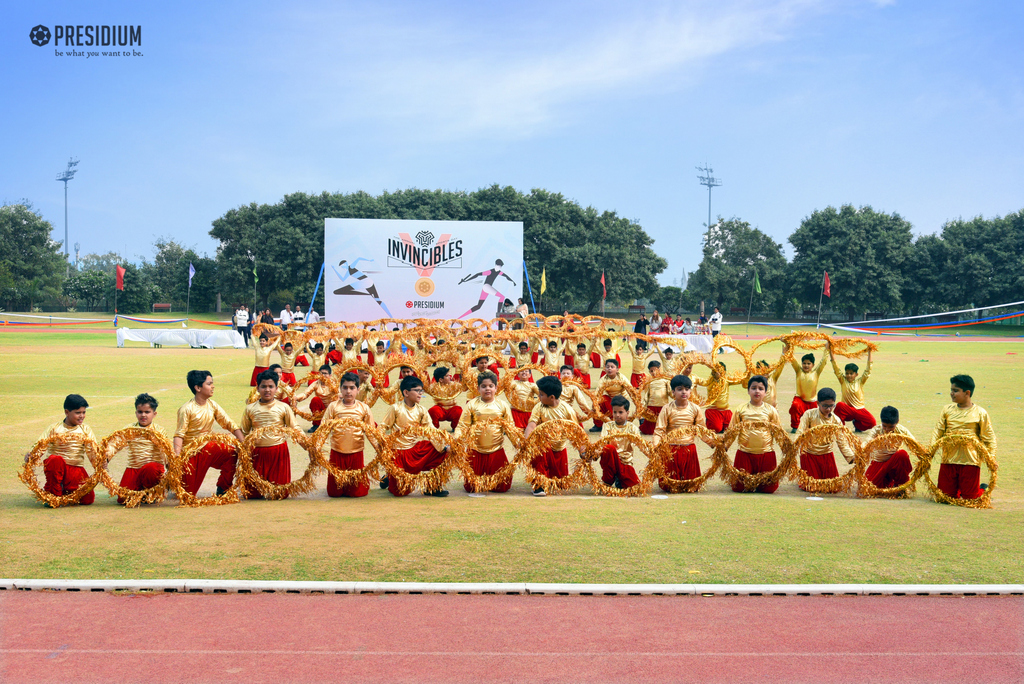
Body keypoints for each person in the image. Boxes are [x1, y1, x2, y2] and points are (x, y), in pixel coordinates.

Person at [174, 371, 245, 497]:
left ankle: (223, 488)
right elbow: (179, 434)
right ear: (198, 388)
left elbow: (229, 423)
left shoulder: (212, 405)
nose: (213, 386)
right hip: (193, 453)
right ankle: (174, 481)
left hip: (209, 448)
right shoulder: (186, 409)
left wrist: (243, 442)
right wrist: (177, 457)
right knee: (187, 494)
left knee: (232, 453)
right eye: (209, 383)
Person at [379, 375, 450, 497]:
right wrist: (383, 449)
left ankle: (432, 486)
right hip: (398, 452)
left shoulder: (422, 410)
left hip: (414, 450)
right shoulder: (395, 408)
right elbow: (382, 428)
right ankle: (390, 476)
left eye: (421, 390)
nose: (420, 393)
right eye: (417, 390)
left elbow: (431, 430)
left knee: (442, 451)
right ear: (406, 392)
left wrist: (444, 446)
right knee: (401, 492)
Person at [931, 374, 997, 500]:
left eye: (955, 391)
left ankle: (983, 489)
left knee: (970, 499)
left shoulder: (980, 413)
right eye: (951, 390)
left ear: (967, 393)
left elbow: (989, 438)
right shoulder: (946, 410)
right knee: (944, 498)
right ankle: (959, 488)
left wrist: (991, 458)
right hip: (948, 460)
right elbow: (938, 431)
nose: (951, 393)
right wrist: (930, 452)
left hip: (970, 461)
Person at [454, 371, 516, 493]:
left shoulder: (502, 405)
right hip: (475, 450)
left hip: (496, 450)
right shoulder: (472, 404)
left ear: (496, 388)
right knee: (471, 487)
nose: (487, 389)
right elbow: (462, 426)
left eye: (490, 386)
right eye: (484, 386)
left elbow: (510, 428)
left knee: (503, 487)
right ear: (478, 388)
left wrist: (518, 443)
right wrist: (456, 440)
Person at [240, 370, 299, 499]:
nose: (267, 390)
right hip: (257, 452)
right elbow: (243, 432)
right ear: (257, 388)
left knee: (280, 494)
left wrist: (309, 447)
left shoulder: (284, 407)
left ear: (276, 388)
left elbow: (295, 429)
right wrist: (242, 453)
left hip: (278, 451)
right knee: (252, 494)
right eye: (263, 386)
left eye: (271, 386)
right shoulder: (250, 409)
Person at [33, 394, 98, 505]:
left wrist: (100, 466)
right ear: (67, 412)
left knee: (88, 499)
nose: (82, 416)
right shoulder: (54, 428)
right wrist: (32, 455)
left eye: (84, 412)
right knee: (55, 460)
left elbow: (93, 451)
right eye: (78, 413)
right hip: (57, 467)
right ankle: (53, 494)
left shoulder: (86, 429)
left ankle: (65, 490)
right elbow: (40, 445)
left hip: (75, 469)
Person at [523, 375, 582, 496]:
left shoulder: (567, 410)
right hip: (543, 447)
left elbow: (576, 433)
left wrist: (583, 452)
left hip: (559, 450)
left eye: (541, 395)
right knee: (538, 450)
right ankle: (538, 484)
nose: (538, 397)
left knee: (561, 484)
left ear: (552, 397)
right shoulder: (539, 407)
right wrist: (526, 441)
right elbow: (531, 425)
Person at [319, 372, 375, 498]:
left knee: (357, 493)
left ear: (358, 389)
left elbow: (371, 432)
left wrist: (380, 449)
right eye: (345, 387)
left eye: (352, 388)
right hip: (337, 452)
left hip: (356, 453)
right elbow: (323, 429)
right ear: (340, 388)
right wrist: (316, 448)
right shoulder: (333, 407)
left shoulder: (364, 408)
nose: (348, 391)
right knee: (334, 493)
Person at [728, 375, 784, 493]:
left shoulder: (771, 410)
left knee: (769, 489)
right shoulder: (740, 409)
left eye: (760, 388)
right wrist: (724, 447)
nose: (757, 391)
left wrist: (786, 448)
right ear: (748, 391)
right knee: (739, 488)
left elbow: (778, 432)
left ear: (765, 392)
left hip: (766, 454)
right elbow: (731, 431)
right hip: (745, 453)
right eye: (753, 388)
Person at [795, 387, 855, 491]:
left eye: (831, 406)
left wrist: (851, 457)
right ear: (818, 403)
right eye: (825, 406)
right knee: (812, 487)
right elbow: (800, 432)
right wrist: (794, 447)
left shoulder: (836, 420)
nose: (828, 409)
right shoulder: (809, 415)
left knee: (833, 487)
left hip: (827, 454)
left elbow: (842, 441)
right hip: (809, 453)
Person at [652, 375, 705, 492]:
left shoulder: (695, 408)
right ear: (673, 392)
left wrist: (714, 443)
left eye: (687, 389)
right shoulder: (666, 408)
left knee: (692, 485)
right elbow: (659, 430)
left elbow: (702, 430)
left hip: (689, 449)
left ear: (690, 391)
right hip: (671, 449)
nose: (684, 392)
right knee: (669, 486)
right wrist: (656, 447)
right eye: (680, 389)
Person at [116, 393, 167, 504]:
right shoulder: (129, 429)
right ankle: (139, 491)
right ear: (136, 413)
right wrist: (106, 458)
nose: (143, 415)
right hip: (133, 467)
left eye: (147, 412)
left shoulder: (160, 431)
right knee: (122, 499)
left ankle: (151, 491)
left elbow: (165, 451)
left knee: (152, 468)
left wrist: (170, 467)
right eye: (140, 412)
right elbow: (115, 444)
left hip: (152, 469)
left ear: (154, 414)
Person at [863, 406, 914, 490]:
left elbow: (914, 444)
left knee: (902, 454)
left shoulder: (902, 430)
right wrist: (859, 451)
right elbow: (866, 442)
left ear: (897, 422)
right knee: (868, 488)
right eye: (884, 426)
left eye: (891, 427)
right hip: (879, 462)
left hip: (894, 464)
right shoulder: (876, 430)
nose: (887, 430)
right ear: (881, 422)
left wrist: (924, 456)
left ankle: (900, 485)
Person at [829, 345, 876, 432]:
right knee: (839, 405)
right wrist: (831, 350)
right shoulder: (843, 380)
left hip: (859, 409)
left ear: (856, 374)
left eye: (851, 373)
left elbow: (868, 369)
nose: (849, 375)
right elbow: (835, 366)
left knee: (872, 422)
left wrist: (870, 351)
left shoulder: (860, 381)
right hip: (847, 411)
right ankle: (840, 428)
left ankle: (857, 425)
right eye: (847, 373)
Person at [599, 395, 641, 490]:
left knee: (635, 487)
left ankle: (620, 479)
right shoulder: (607, 426)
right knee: (609, 448)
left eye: (620, 412)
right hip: (611, 463)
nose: (617, 415)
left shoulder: (633, 428)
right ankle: (608, 479)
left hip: (625, 463)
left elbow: (641, 445)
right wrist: (592, 454)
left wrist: (653, 454)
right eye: (615, 412)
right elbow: (601, 444)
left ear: (627, 413)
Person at [788, 346, 827, 431]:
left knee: (813, 425)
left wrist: (827, 349)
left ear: (813, 365)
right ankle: (795, 426)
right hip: (800, 400)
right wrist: (788, 346)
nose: (806, 365)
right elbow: (792, 358)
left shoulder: (816, 373)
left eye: (808, 363)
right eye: (804, 363)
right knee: (795, 405)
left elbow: (823, 362)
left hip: (812, 402)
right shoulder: (798, 371)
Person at [293, 365, 336, 432]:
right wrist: (296, 398)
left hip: (331, 410)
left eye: (325, 373)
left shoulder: (334, 384)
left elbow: (340, 395)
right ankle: (316, 425)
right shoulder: (315, 383)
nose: (323, 375)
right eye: (321, 373)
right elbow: (305, 393)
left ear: (330, 375)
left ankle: (332, 423)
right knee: (315, 400)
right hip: (319, 409)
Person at [592, 358, 629, 432]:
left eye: (612, 367)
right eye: (607, 367)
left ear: (617, 369)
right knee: (600, 400)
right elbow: (597, 392)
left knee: (616, 413)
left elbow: (631, 390)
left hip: (621, 400)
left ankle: (620, 424)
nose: (609, 369)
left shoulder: (622, 378)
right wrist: (594, 404)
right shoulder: (603, 379)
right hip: (610, 399)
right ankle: (598, 425)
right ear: (605, 369)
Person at [639, 360, 670, 436]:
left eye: (656, 370)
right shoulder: (649, 382)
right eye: (652, 371)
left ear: (660, 369)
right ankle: (642, 421)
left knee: (664, 427)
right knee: (649, 430)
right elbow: (647, 395)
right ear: (649, 371)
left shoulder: (666, 380)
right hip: (651, 406)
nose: (654, 372)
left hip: (663, 406)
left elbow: (669, 392)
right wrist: (643, 405)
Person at [427, 367, 463, 431]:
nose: (449, 377)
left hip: (452, 409)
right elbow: (425, 389)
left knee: (459, 410)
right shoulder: (434, 387)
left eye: (449, 375)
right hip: (440, 409)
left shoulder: (454, 385)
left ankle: (456, 427)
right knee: (432, 410)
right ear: (441, 379)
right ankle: (434, 428)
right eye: (447, 376)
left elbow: (463, 388)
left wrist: (465, 377)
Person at [703, 362, 735, 434]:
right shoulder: (710, 381)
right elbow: (701, 382)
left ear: (724, 372)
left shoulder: (726, 380)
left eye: (720, 371)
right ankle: (710, 422)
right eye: (716, 371)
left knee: (731, 429)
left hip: (725, 410)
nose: (718, 373)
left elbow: (739, 380)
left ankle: (722, 423)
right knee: (717, 428)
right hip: (713, 410)